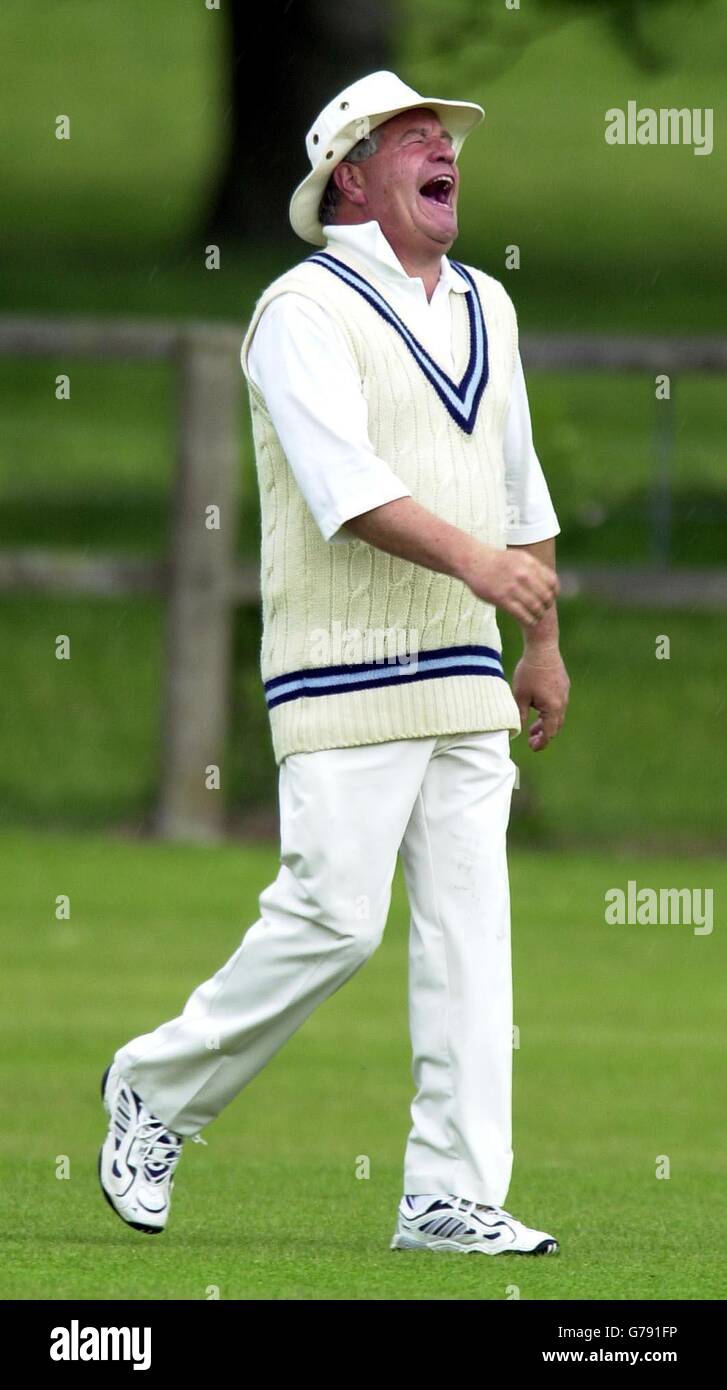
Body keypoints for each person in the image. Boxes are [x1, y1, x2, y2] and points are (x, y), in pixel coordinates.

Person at [99, 70, 570, 1256]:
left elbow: (519, 489)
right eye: (412, 135)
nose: (442, 147)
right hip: (342, 664)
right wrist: (480, 568)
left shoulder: (489, 305)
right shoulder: (298, 310)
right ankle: (156, 1088)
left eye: (445, 134)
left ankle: (448, 1195)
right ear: (349, 176)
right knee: (335, 919)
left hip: (464, 668)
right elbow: (347, 493)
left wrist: (544, 641)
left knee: (471, 930)